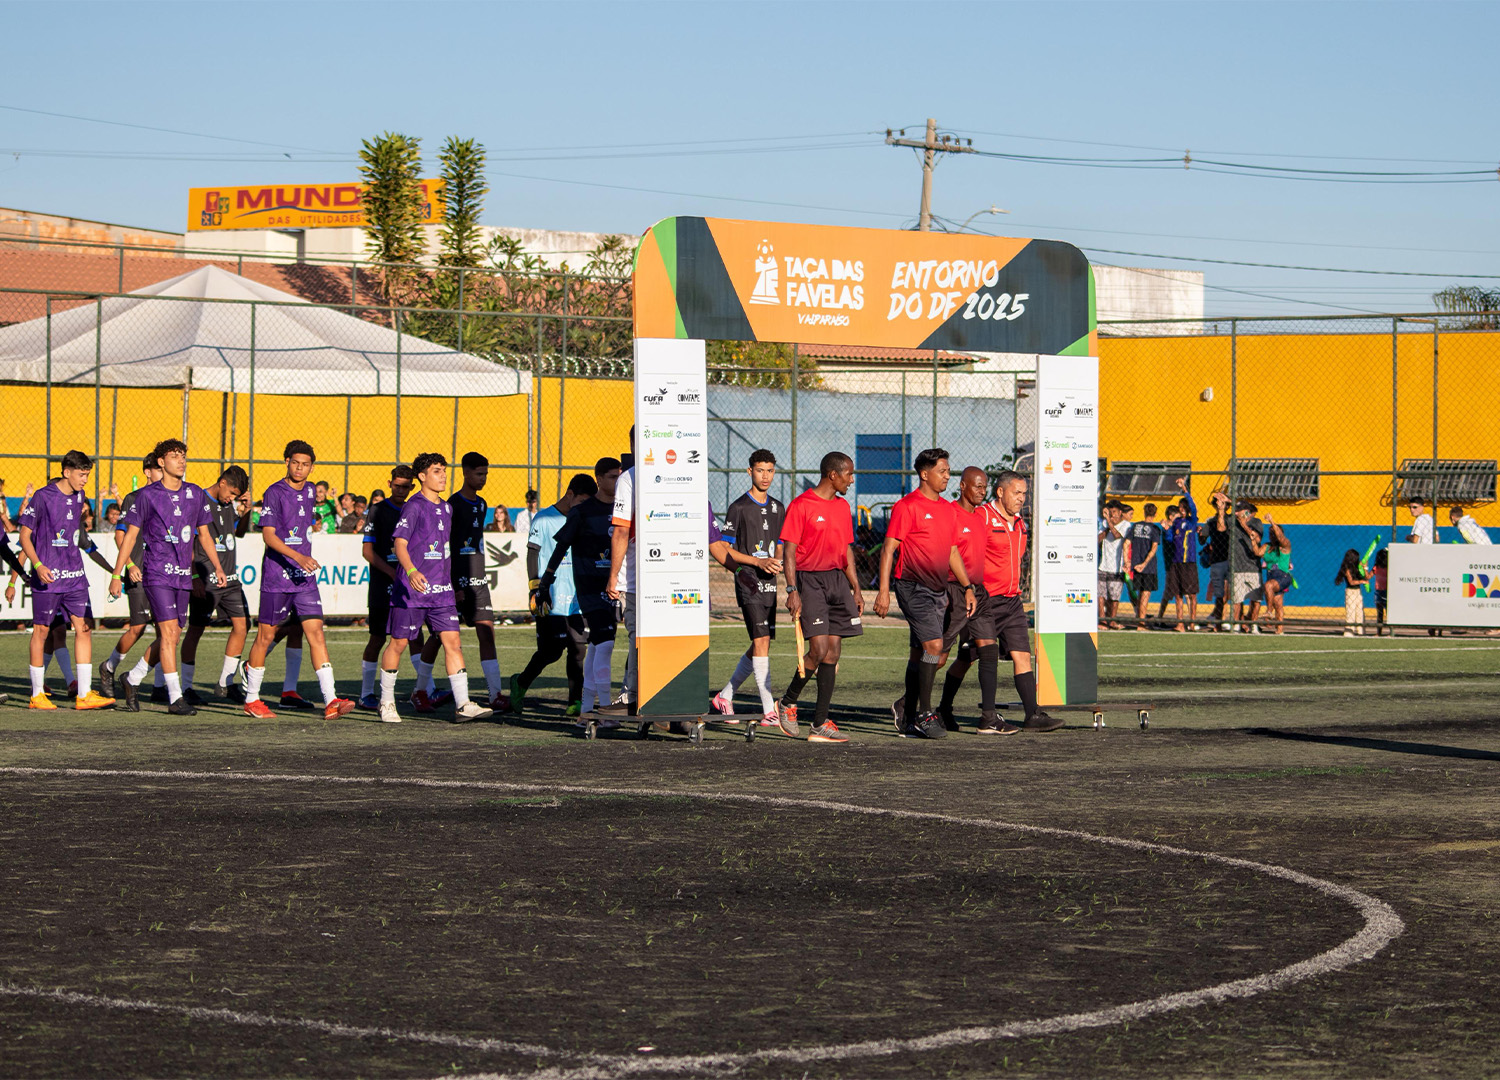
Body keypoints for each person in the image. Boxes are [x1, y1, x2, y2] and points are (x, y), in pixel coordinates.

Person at [108, 439, 229, 714]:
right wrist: (117, 573)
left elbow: (204, 535)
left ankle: (133, 678)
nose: (181, 460)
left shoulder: (195, 493)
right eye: (175, 456)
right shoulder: (146, 496)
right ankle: (176, 698)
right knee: (169, 631)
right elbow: (130, 537)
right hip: (156, 574)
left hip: (182, 576)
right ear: (161, 462)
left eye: (183, 455)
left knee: (172, 635)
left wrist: (218, 567)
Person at [374, 452, 493, 724]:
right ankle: (386, 702)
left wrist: (452, 583)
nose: (443, 476)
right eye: (437, 471)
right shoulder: (413, 506)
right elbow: (399, 544)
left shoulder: (447, 508)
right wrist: (412, 571)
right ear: (422, 476)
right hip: (412, 591)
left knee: (453, 642)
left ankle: (463, 704)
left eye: (444, 471)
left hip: (442, 591)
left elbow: (446, 550)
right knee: (398, 643)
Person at [240, 440, 355, 721]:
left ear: (311, 467)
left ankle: (331, 700)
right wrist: (299, 556)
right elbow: (269, 536)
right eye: (295, 463)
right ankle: (252, 699)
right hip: (277, 578)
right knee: (266, 636)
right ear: (287, 463)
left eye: (305, 464)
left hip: (304, 580)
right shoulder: (274, 492)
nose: (300, 468)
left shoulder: (310, 491)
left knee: (316, 633)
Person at [876, 448, 975, 740]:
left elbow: (953, 551)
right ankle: (924, 714)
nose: (947, 476)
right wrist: (883, 592)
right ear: (924, 474)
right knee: (934, 647)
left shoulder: (948, 509)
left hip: (938, 590)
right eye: (942, 471)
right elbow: (888, 549)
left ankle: (907, 713)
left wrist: (967, 587)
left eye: (948, 471)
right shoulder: (907, 506)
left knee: (920, 652)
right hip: (911, 587)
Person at [773, 451, 863, 744]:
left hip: (837, 581)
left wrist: (856, 587)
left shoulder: (843, 506)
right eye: (849, 474)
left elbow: (846, 549)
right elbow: (789, 552)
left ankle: (820, 724)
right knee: (819, 649)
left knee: (833, 654)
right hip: (809, 582)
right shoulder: (801, 505)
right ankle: (787, 702)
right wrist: (792, 590)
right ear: (833, 475)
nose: (851, 480)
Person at [17, 451, 117, 710]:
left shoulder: (80, 497)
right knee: (41, 631)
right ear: (66, 472)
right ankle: (37, 695)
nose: (85, 480)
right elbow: (24, 536)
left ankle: (83, 694)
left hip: (75, 577)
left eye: (87, 475)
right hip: (48, 577)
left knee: (84, 628)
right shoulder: (42, 496)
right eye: (81, 475)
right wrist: (38, 565)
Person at [932, 468, 1026, 735]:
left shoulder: (979, 517)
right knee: (939, 655)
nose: (981, 492)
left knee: (986, 651)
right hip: (953, 592)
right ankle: (912, 705)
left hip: (979, 594)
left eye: (984, 487)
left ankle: (988, 718)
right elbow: (946, 552)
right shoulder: (952, 513)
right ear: (962, 486)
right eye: (977, 486)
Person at [418, 451, 506, 710]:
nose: (483, 479)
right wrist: (453, 584)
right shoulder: (452, 505)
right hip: (454, 582)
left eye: (485, 474)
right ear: (466, 473)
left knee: (487, 633)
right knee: (438, 637)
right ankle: (420, 690)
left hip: (478, 580)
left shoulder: (483, 504)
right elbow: (446, 544)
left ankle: (495, 694)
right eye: (479, 474)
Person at [539, 457, 622, 721]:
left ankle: (586, 710)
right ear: (599, 478)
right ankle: (606, 711)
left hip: (616, 587)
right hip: (589, 587)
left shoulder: (624, 509)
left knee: (597, 645)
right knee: (605, 643)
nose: (617, 481)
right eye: (612, 476)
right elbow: (561, 546)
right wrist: (545, 581)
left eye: (620, 476)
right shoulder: (583, 511)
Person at [710, 449, 786, 728]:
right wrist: (757, 562)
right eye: (760, 470)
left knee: (760, 643)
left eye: (770, 471)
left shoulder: (778, 507)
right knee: (761, 641)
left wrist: (777, 561)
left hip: (769, 583)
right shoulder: (738, 507)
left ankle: (724, 696)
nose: (765, 476)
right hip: (748, 581)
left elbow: (780, 543)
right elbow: (725, 548)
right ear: (749, 471)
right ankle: (768, 710)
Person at [514, 473, 597, 722]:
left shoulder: (583, 518)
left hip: (577, 596)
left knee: (578, 649)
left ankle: (574, 701)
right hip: (550, 595)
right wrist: (535, 588)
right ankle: (520, 682)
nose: (584, 506)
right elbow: (532, 553)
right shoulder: (544, 518)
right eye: (582, 501)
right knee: (551, 652)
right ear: (570, 494)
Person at [180, 466, 252, 703]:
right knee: (196, 629)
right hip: (206, 578)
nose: (231, 498)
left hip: (230, 578)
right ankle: (186, 687)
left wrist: (246, 512)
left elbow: (238, 533)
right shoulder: (198, 500)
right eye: (231, 493)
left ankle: (224, 684)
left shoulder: (227, 504)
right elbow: (188, 540)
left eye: (235, 496)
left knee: (242, 625)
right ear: (222, 483)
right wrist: (194, 577)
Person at [358, 465, 426, 710]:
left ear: (412, 487)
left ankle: (424, 690)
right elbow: (367, 551)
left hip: (408, 584)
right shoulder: (377, 510)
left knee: (416, 636)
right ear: (389, 484)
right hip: (383, 585)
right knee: (377, 638)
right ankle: (366, 693)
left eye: (405, 487)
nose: (400, 490)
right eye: (397, 486)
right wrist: (393, 573)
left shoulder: (414, 508)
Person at [99, 456, 164, 701]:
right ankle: (109, 667)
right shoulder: (133, 498)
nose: (163, 474)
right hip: (139, 572)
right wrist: (129, 564)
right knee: (138, 627)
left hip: (162, 573)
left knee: (166, 631)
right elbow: (121, 536)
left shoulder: (169, 498)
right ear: (148, 471)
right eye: (159, 469)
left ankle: (159, 685)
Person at [1241, 511, 1291, 634]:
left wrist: (1272, 522)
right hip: (1272, 576)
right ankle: (1279, 630)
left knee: (1268, 586)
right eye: (1270, 533)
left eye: (1274, 533)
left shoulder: (1285, 545)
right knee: (1278, 604)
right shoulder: (1268, 546)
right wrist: (1253, 540)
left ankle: (1268, 611)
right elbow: (1257, 552)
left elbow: (1280, 537)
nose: (1272, 536)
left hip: (1282, 576)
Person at [1165, 479, 1201, 632]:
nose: (1182, 509)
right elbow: (1170, 539)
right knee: (1178, 594)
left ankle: (1192, 622)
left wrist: (1185, 490)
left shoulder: (1192, 521)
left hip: (1189, 562)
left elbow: (1193, 507)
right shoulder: (1177, 522)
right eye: (1180, 507)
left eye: (1184, 506)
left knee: (1191, 594)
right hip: (1177, 562)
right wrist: (1167, 529)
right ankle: (1180, 623)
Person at [1200, 491, 1232, 631]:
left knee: (1230, 592)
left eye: (1223, 503)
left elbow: (1223, 528)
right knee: (1220, 592)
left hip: (1232, 559)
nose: (1220, 505)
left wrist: (1227, 502)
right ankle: (1219, 620)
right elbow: (1202, 540)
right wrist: (1200, 534)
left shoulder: (1232, 519)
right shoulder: (1211, 521)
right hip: (1217, 560)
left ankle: (1220, 616)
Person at [1231, 501, 1265, 631]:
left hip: (1253, 568)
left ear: (1247, 512)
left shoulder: (1256, 522)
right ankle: (1236, 625)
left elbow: (1257, 539)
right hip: (1237, 567)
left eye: (1239, 510)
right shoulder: (1233, 523)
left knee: (1256, 599)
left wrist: (1243, 524)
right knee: (1237, 599)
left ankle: (1253, 625)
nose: (1236, 513)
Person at [1129, 502, 1162, 630]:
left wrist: (1128, 561)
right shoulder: (1154, 529)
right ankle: (1141, 623)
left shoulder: (1136, 526)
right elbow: (1154, 548)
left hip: (1136, 564)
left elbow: (1127, 543)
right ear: (1155, 514)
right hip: (1148, 566)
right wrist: (1144, 564)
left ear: (1144, 512)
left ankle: (1139, 619)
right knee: (1145, 594)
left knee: (1140, 593)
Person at [1097, 501, 1128, 630]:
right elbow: (1098, 539)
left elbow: (1117, 536)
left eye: (1114, 512)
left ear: (1120, 512)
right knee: (1101, 595)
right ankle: (1102, 620)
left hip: (1117, 567)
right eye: (1110, 513)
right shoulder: (1106, 524)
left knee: (1114, 597)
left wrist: (1109, 522)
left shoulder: (1126, 525)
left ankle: (1112, 620)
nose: (1112, 515)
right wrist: (1108, 525)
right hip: (1103, 565)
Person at [1336, 548, 1369, 637]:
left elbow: (1367, 577)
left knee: (1360, 612)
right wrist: (1361, 581)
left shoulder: (1357, 567)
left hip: (1358, 591)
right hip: (1350, 592)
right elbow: (1351, 582)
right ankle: (1349, 632)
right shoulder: (1347, 569)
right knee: (1350, 612)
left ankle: (1361, 631)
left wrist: (1365, 567)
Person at [1372, 549, 1389, 635]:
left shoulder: (1388, 568)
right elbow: (1369, 576)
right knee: (1383, 613)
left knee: (1381, 614)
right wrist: (1365, 567)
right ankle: (1380, 632)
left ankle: (1380, 632)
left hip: (1384, 592)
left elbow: (1368, 576)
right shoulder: (1377, 567)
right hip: (1381, 592)